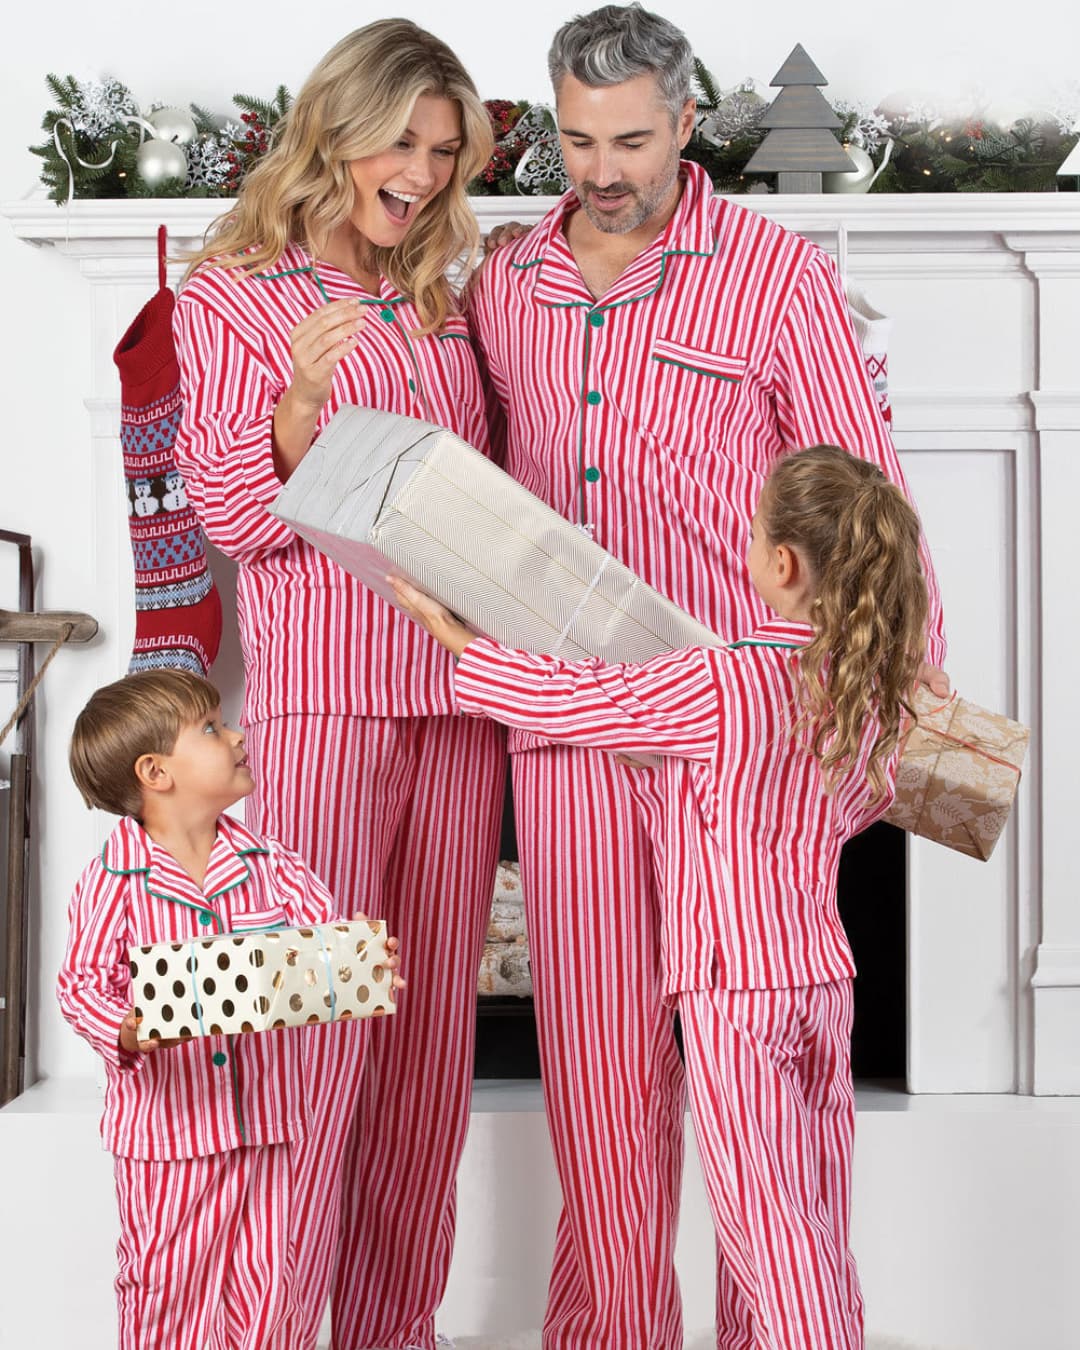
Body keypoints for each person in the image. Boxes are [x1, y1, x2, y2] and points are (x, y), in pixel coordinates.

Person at [466, 6, 947, 1347]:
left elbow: (871, 508)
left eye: (629, 138)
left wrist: (889, 724)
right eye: (573, 137)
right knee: (602, 1092)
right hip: (570, 742)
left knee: (756, 1119)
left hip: (735, 748)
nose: (601, 169)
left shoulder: (775, 275)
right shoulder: (510, 280)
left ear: (687, 120)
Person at [391, 443, 929, 1350]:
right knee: (818, 1215)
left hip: (732, 985)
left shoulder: (724, 677)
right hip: (822, 980)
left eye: (751, 534)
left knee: (769, 1228)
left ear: (781, 564)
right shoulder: (868, 696)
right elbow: (847, 805)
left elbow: (580, 701)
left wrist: (459, 640)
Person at [172, 21, 505, 1350]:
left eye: (443, 150)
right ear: (335, 127)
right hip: (318, 716)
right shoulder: (237, 293)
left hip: (461, 707)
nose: (419, 172)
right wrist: (296, 423)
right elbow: (232, 514)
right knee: (304, 1050)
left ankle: (392, 1332)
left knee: (424, 1071)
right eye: (401, 140)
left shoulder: (440, 294)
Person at [56, 668, 402, 1350]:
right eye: (212, 729)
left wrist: (363, 956)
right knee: (166, 1288)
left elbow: (326, 947)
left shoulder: (273, 864)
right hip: (167, 1139)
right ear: (156, 772)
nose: (238, 733)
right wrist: (124, 1027)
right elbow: (80, 984)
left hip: (268, 1128)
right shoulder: (114, 879)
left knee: (271, 1289)